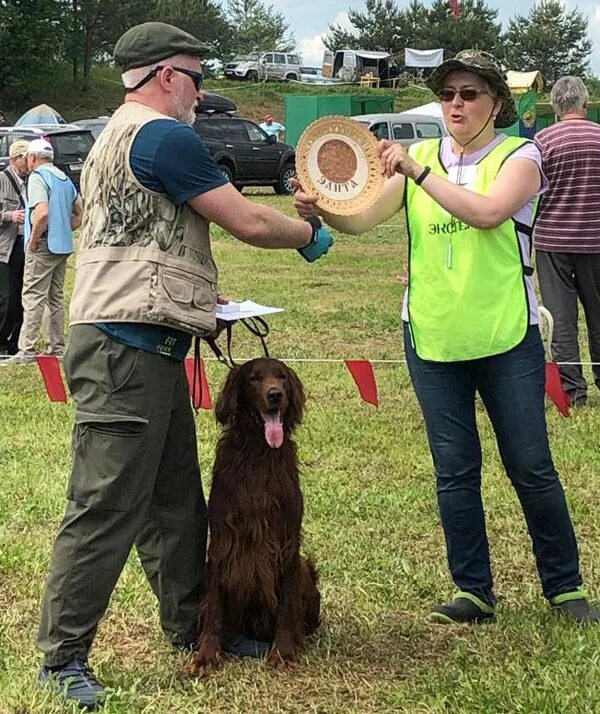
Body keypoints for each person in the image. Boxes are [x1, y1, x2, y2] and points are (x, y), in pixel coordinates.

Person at [37, 21, 333, 710]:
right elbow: (251, 223)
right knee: (105, 505)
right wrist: (311, 234)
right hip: (124, 353)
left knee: (175, 502)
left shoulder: (114, 134)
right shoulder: (166, 135)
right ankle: (61, 658)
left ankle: (191, 627)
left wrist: (200, 294)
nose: (203, 93)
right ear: (168, 75)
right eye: (198, 78)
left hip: (142, 342)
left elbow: (136, 237)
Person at [294, 50, 599, 627]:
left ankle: (565, 588)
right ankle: (473, 590)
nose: (456, 104)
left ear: (496, 104)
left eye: (470, 94)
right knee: (455, 470)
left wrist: (415, 172)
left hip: (508, 334)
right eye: (448, 93)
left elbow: (487, 214)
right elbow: (363, 219)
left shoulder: (522, 155)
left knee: (531, 466)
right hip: (431, 336)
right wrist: (324, 209)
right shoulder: (423, 158)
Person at [534, 76, 600, 407]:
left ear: (556, 107)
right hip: (596, 241)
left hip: (552, 241)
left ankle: (574, 391)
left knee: (561, 318)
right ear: (585, 106)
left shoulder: (542, 140)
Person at [5, 139, 82, 364]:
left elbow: (42, 213)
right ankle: (56, 346)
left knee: (32, 296)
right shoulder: (63, 177)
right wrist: (65, 228)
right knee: (56, 297)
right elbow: (80, 212)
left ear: (33, 157)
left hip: (44, 245)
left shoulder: (38, 177)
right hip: (63, 245)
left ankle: (27, 349)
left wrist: (33, 240)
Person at [0, 140, 29, 355]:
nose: (29, 162)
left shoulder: (33, 180)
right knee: (6, 299)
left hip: (25, 245)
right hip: (5, 247)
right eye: (24, 158)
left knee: (22, 297)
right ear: (14, 159)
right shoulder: (2, 179)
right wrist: (10, 215)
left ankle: (14, 343)